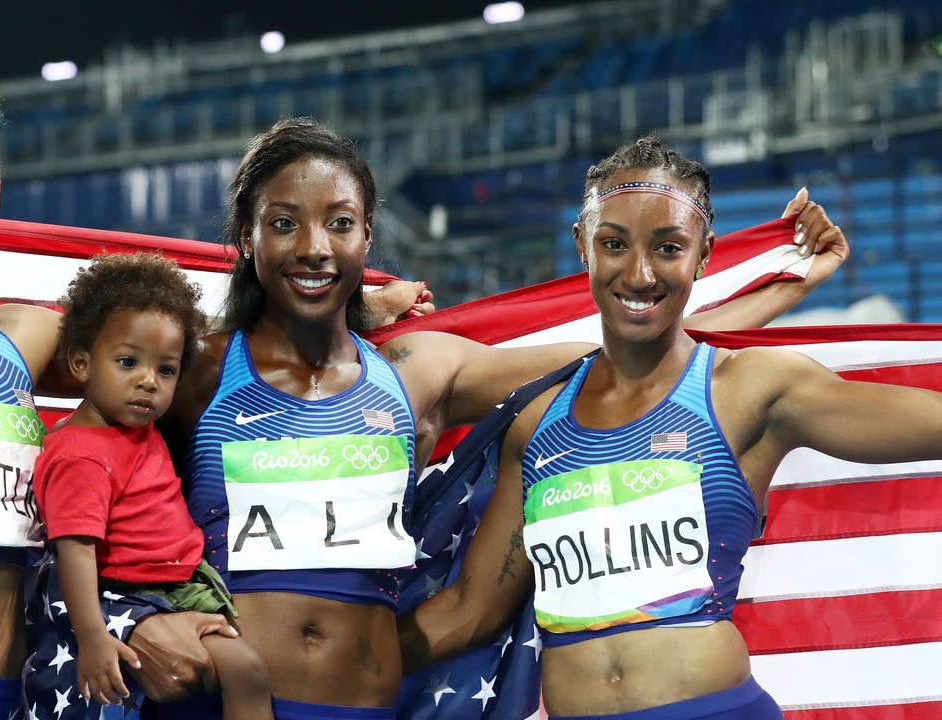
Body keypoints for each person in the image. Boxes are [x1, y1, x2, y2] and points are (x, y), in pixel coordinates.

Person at [80, 118, 850, 719]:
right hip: (221, 702)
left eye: (339, 224)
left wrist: (781, 287)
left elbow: (627, 346)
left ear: (367, 237)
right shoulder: (194, 369)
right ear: (245, 239)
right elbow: (70, 414)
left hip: (364, 706)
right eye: (284, 224)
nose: (314, 246)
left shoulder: (415, 372)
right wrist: (128, 622)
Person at [394, 135, 930, 719]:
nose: (640, 272)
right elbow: (471, 611)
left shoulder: (748, 390)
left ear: (704, 253)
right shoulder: (536, 424)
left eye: (668, 247)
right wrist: (331, 663)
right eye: (614, 244)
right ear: (582, 245)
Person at [30, 252, 272, 718]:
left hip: (180, 584)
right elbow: (75, 550)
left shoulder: (138, 429)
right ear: (81, 362)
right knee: (248, 671)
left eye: (167, 370)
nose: (148, 382)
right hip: (130, 596)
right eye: (127, 362)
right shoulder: (81, 453)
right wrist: (93, 637)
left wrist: (376, 307)